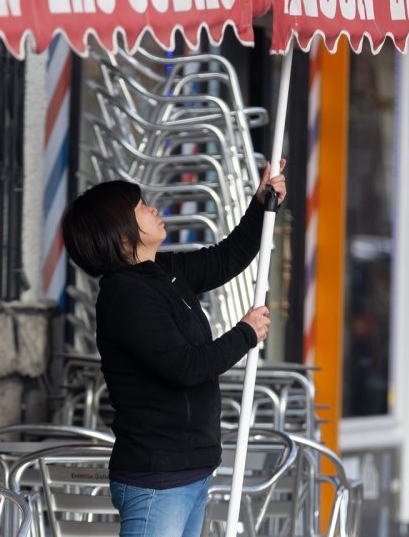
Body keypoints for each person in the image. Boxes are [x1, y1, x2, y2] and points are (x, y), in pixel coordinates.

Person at [61, 161, 286, 537]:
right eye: (140, 208)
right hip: (156, 480)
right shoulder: (125, 296)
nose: (153, 210)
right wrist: (245, 334)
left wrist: (262, 205)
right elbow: (185, 366)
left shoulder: (165, 272)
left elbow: (227, 257)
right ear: (120, 235)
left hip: (191, 470)